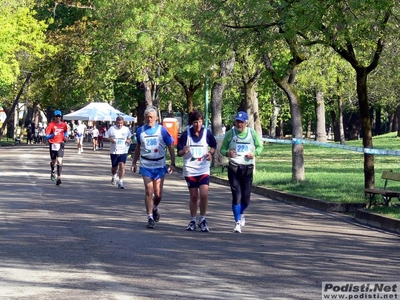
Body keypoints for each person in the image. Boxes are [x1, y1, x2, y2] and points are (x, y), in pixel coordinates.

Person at [131, 106, 176, 229]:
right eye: (147, 117)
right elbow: (138, 148)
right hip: (146, 164)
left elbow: (171, 146)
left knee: (158, 194)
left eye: (151, 117)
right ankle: (150, 217)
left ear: (156, 118)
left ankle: (154, 207)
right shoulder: (140, 130)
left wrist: (172, 163)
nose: (149, 119)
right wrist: (134, 163)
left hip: (160, 165)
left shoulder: (162, 130)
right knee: (149, 191)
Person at [220, 111, 264, 233]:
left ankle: (241, 212)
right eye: (237, 122)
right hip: (234, 167)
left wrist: (254, 154)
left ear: (246, 123)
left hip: (247, 169)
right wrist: (228, 153)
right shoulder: (230, 133)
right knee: (236, 196)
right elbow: (222, 149)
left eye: (241, 122)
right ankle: (237, 223)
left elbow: (260, 146)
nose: (239, 124)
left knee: (246, 199)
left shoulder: (252, 133)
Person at [177, 111, 217, 232]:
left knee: (204, 195)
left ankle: (203, 219)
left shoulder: (206, 133)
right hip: (190, 169)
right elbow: (179, 152)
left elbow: (214, 146)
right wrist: (184, 151)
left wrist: (210, 153)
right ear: (191, 123)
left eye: (200, 122)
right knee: (194, 196)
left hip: (203, 168)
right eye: (196, 122)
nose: (198, 125)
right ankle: (193, 220)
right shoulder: (186, 134)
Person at [105, 116, 132, 189]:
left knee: (122, 165)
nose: (120, 125)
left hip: (123, 150)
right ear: (116, 122)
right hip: (114, 151)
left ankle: (121, 182)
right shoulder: (112, 129)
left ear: (123, 123)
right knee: (114, 167)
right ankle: (114, 176)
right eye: (118, 123)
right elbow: (106, 137)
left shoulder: (126, 129)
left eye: (121, 123)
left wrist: (129, 140)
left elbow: (129, 137)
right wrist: (111, 140)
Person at [45, 110, 69, 186]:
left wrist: (65, 137)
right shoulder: (51, 125)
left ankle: (59, 178)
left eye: (59, 116)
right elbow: (46, 136)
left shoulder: (64, 125)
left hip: (60, 144)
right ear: (54, 117)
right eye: (57, 116)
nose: (58, 117)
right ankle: (52, 171)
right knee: (53, 162)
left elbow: (65, 132)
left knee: (59, 161)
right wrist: (52, 135)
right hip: (53, 144)